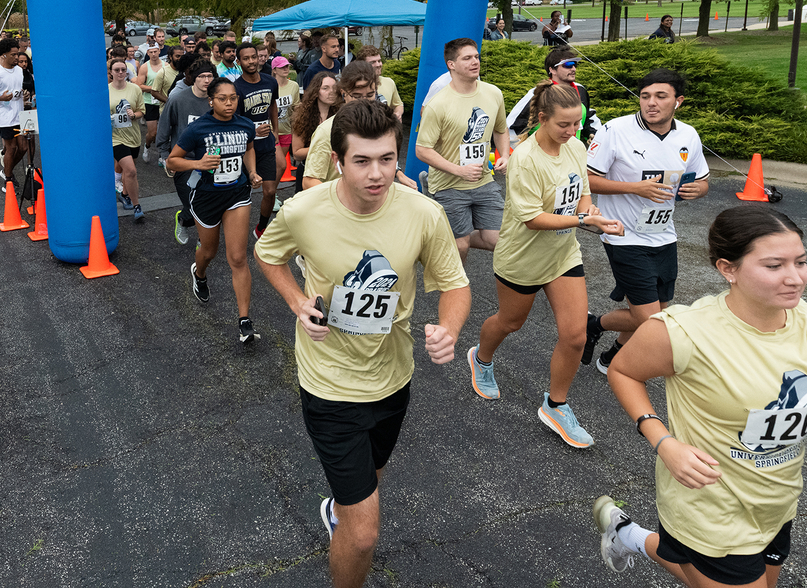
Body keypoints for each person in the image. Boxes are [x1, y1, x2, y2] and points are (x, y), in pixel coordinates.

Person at [595, 205, 807, 584]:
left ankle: (626, 535)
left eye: (801, 262)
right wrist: (662, 440)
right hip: (707, 506)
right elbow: (623, 370)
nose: (795, 278)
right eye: (774, 266)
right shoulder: (682, 331)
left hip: (778, 502)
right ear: (728, 269)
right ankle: (633, 536)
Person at [254, 99, 471, 588]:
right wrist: (294, 300)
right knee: (365, 532)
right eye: (362, 161)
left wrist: (450, 328)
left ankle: (343, 504)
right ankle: (349, 520)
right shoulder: (304, 211)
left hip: (393, 379)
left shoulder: (423, 213)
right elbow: (268, 254)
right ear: (337, 161)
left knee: (372, 477)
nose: (378, 174)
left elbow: (454, 284)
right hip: (328, 385)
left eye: (388, 159)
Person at [468, 81, 624, 448]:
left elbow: (582, 192)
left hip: (562, 255)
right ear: (541, 119)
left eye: (576, 124)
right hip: (522, 257)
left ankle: (556, 405)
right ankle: (482, 357)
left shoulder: (576, 147)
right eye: (563, 125)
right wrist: (584, 222)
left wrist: (591, 212)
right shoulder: (524, 159)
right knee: (511, 322)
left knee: (575, 334)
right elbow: (532, 218)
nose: (571, 133)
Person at [583, 68, 710, 374]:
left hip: (664, 234)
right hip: (622, 235)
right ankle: (596, 325)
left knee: (659, 310)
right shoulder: (615, 130)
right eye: (645, 96)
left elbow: (704, 180)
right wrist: (634, 188)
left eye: (661, 96)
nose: (651, 103)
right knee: (652, 318)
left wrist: (697, 190)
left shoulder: (688, 135)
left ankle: (611, 353)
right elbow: (586, 180)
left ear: (678, 101)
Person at [166, 77, 262, 343]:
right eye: (223, 98)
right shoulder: (198, 129)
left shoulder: (244, 124)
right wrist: (198, 163)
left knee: (238, 258)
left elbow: (249, 148)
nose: (229, 103)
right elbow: (173, 161)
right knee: (209, 251)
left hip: (237, 194)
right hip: (206, 198)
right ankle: (199, 273)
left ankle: (245, 321)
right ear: (211, 101)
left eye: (233, 97)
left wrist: (252, 172)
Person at [415, 38, 510, 263]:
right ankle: (455, 282)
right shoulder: (437, 104)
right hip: (448, 183)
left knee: (499, 240)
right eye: (467, 58)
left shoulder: (493, 93)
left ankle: (443, 235)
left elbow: (501, 129)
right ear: (451, 65)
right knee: (461, 246)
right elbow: (422, 150)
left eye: (476, 56)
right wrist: (459, 171)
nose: (475, 62)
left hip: (482, 180)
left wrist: (503, 155)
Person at [304, 62, 417, 192]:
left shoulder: (382, 123)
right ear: (343, 93)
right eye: (357, 96)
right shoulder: (326, 131)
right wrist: (342, 199)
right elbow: (309, 180)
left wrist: (398, 173)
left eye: (370, 95)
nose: (364, 101)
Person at [159, 61, 216, 245]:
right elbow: (164, 127)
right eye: (202, 77)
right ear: (193, 78)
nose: (206, 80)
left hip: (212, 159)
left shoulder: (217, 100)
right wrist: (164, 154)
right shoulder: (178, 100)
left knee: (209, 203)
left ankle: (202, 239)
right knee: (193, 204)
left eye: (209, 76)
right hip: (185, 160)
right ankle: (183, 219)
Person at [232, 42, 281, 239]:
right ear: (239, 61)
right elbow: (233, 120)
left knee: (269, 192)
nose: (251, 61)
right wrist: (253, 129)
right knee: (241, 194)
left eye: (254, 57)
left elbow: (273, 106)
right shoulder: (236, 88)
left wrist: (275, 131)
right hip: (244, 148)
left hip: (267, 144)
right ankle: (235, 229)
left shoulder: (270, 82)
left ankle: (261, 227)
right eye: (246, 58)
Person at [507, 46, 601, 146]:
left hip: (573, 156)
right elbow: (511, 127)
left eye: (575, 65)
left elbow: (588, 119)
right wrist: (526, 154)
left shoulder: (580, 90)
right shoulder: (538, 93)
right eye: (567, 65)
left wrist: (593, 134)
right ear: (552, 69)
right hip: (542, 158)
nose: (573, 69)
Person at [0, 38, 27, 191]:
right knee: (12, 148)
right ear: (3, 55)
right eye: (13, 55)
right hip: (5, 118)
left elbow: (18, 90)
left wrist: (24, 95)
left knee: (23, 147)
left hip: (20, 115)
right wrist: (1, 98)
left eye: (17, 54)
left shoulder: (19, 70)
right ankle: (8, 180)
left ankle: (6, 170)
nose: (17, 58)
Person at [107, 58, 146, 222]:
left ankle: (124, 194)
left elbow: (141, 110)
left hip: (133, 136)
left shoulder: (135, 89)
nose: (121, 73)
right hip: (115, 137)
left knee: (128, 171)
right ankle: (137, 206)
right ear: (111, 72)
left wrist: (134, 115)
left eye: (123, 69)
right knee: (131, 171)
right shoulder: (106, 90)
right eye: (117, 70)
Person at [291, 73, 338, 194]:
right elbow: (296, 153)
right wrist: (322, 147)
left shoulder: (342, 114)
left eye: (334, 88)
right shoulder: (302, 117)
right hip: (308, 170)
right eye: (325, 88)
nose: (331, 91)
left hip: (334, 171)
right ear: (316, 91)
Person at [134, 42, 167, 161]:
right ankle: (147, 146)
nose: (153, 54)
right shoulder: (144, 67)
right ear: (148, 53)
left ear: (159, 51)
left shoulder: (166, 65)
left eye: (155, 51)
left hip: (162, 101)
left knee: (163, 132)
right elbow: (139, 85)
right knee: (152, 133)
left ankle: (161, 155)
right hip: (150, 102)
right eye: (151, 52)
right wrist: (154, 89)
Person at [354, 46, 404, 121]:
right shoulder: (355, 86)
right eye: (372, 62)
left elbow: (398, 104)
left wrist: (397, 113)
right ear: (362, 65)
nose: (378, 65)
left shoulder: (389, 82)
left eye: (379, 61)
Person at [271, 56, 299, 183]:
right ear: (274, 70)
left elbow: (296, 108)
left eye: (287, 66)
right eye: (282, 67)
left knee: (280, 168)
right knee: (280, 164)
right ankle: (271, 194)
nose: (286, 69)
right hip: (272, 132)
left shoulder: (294, 86)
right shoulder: (270, 85)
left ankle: (273, 194)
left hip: (287, 130)